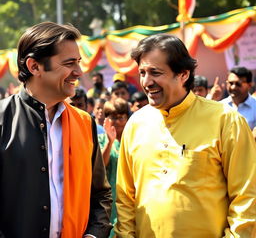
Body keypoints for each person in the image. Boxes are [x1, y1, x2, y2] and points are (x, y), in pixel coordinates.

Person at [114, 34, 256, 237]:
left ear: (183, 75)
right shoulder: (136, 124)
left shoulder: (225, 121)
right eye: (142, 72)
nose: (146, 82)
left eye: (155, 72)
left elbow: (246, 197)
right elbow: (125, 198)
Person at [0, 21, 112, 238]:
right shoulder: (3, 120)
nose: (79, 72)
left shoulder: (84, 123)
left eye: (78, 62)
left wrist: (93, 235)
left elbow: (100, 194)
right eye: (69, 63)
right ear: (34, 66)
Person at [98, 98, 130, 238]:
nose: (117, 122)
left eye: (121, 117)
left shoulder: (132, 139)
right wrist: (110, 142)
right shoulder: (99, 139)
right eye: (112, 117)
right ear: (106, 119)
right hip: (107, 200)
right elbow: (100, 167)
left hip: (128, 198)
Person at [221, 67, 256, 134]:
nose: (233, 87)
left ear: (249, 85)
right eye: (231, 83)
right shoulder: (220, 106)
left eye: (238, 84)